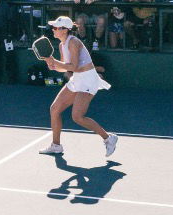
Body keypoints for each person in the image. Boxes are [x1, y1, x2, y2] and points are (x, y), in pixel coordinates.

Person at [37, 16, 117, 157]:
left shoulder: (73, 42)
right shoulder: (62, 45)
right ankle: (56, 146)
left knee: (77, 117)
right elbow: (66, 68)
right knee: (55, 109)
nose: (53, 30)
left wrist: (54, 61)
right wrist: (54, 66)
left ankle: (108, 138)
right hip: (77, 79)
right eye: (53, 27)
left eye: (56, 28)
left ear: (65, 30)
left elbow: (74, 67)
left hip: (88, 79)